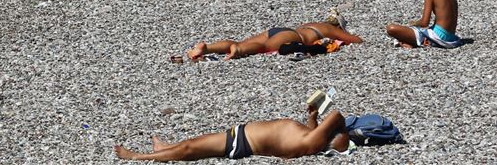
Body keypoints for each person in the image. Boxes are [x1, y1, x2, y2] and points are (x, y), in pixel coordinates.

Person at [114, 106, 353, 160]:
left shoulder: (310, 142)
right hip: (241, 136)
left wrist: (341, 129)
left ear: (326, 139)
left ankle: (138, 157)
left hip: (241, 143)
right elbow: (313, 131)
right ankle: (165, 148)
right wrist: (312, 117)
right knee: (192, 144)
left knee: (190, 150)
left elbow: (337, 115)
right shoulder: (309, 141)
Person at [186, 21, 362, 62]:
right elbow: (355, 40)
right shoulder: (326, 28)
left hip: (279, 30)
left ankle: (207, 48)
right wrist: (346, 37)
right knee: (263, 47)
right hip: (294, 37)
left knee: (243, 41)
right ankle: (238, 50)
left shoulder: (311, 24)